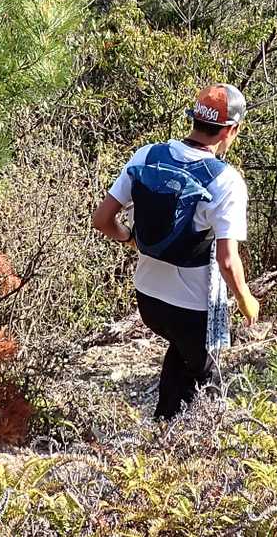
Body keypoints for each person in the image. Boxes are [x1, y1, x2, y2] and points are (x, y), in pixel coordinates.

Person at [91, 83, 260, 420]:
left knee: (182, 355)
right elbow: (227, 261)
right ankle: (193, 440)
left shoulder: (148, 155)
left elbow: (102, 220)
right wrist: (245, 299)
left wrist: (131, 239)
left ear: (194, 119)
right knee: (206, 379)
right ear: (231, 130)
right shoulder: (226, 181)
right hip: (193, 309)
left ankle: (162, 427)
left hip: (149, 301)